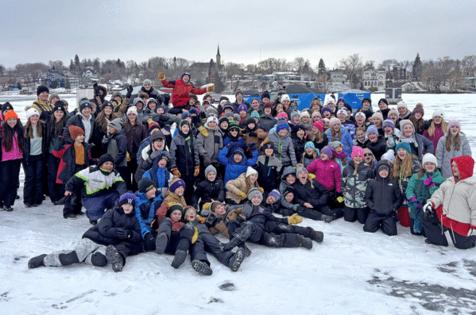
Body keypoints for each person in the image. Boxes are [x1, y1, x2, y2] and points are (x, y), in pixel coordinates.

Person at [28, 192, 142, 272]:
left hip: (107, 245)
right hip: (93, 238)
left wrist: (129, 234)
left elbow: (138, 236)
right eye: (125, 204)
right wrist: (116, 232)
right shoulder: (111, 212)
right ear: (120, 204)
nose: (127, 207)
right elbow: (103, 228)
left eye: (130, 205)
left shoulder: (135, 219)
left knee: (101, 261)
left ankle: (84, 257)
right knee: (73, 257)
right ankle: (45, 259)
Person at [222, 188, 314, 251]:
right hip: (248, 231)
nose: (256, 199)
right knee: (234, 223)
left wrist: (287, 220)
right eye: (254, 197)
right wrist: (222, 208)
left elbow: (274, 218)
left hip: (260, 229)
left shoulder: (263, 209)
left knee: (282, 229)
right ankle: (240, 247)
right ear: (250, 198)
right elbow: (231, 207)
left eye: (259, 198)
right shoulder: (244, 207)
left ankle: (307, 235)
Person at [422, 156, 476, 249]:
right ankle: (438, 239)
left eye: (456, 166)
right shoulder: (450, 181)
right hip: (446, 219)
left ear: (465, 167)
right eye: (452, 166)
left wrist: (474, 227)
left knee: (461, 246)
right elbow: (439, 193)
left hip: (461, 224)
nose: (453, 168)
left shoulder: (472, 186)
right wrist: (431, 203)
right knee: (426, 214)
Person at [64, 154, 127, 224]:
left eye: (111, 164)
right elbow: (75, 179)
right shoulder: (91, 171)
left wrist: (124, 197)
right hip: (91, 197)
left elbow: (121, 184)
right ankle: (93, 217)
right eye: (106, 163)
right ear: (101, 164)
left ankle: (110, 215)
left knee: (118, 198)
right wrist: (69, 188)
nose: (109, 166)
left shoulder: (114, 173)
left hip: (107, 194)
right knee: (95, 211)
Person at [183, 207, 246, 275]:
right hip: (195, 239)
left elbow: (213, 225)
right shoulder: (184, 225)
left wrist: (213, 217)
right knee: (197, 247)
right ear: (185, 216)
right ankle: (202, 264)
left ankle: (231, 259)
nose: (192, 213)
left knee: (216, 245)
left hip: (206, 236)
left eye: (193, 212)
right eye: (189, 212)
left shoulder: (202, 222)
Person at [406, 153, 444, 236]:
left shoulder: (440, 179)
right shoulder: (416, 176)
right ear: (423, 165)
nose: (429, 165)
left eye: (432, 163)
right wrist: (412, 198)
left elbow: (440, 195)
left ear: (435, 165)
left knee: (426, 233)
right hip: (417, 205)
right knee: (414, 232)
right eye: (427, 164)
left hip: (430, 208)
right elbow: (409, 189)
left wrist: (432, 186)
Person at [363, 161, 402, 236]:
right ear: (377, 171)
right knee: (368, 229)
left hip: (388, 213)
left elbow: (399, 198)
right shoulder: (372, 182)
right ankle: (377, 223)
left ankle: (384, 224)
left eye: (386, 170)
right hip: (375, 212)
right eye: (381, 170)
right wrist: (372, 206)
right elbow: (367, 198)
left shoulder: (393, 183)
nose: (383, 172)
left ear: (388, 171)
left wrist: (393, 208)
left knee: (392, 233)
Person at [169, 120, 200, 204]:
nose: (186, 128)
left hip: (190, 169)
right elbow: (172, 154)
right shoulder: (176, 139)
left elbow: (196, 152)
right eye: (184, 127)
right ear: (180, 128)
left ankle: (190, 205)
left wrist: (197, 165)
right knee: (181, 188)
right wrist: (174, 167)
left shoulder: (192, 138)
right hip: (180, 169)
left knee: (190, 188)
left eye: (187, 126)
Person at [23, 108, 47, 207]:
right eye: (33, 116)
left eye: (36, 116)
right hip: (29, 157)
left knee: (38, 177)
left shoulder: (43, 126)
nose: (35, 118)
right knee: (30, 178)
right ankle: (28, 200)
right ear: (29, 117)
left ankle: (38, 199)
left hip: (40, 157)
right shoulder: (25, 128)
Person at [0, 110, 24, 211]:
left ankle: (8, 203)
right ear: (6, 121)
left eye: (14, 119)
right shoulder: (2, 131)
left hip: (16, 159)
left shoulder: (19, 130)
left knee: (13, 181)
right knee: (5, 181)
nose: (12, 121)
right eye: (9, 120)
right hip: (4, 161)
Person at [342, 146, 373, 224]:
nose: (358, 158)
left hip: (361, 202)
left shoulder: (368, 169)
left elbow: (371, 185)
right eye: (356, 156)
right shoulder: (347, 168)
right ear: (352, 157)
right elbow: (342, 182)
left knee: (363, 221)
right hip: (349, 201)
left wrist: (368, 197)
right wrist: (344, 193)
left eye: (360, 156)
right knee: (349, 220)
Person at [46, 101, 68, 204]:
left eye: (61, 112)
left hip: (62, 153)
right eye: (57, 111)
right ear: (53, 113)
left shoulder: (66, 123)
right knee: (52, 174)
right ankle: (53, 196)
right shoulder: (49, 123)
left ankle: (61, 195)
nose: (59, 114)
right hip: (51, 153)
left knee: (61, 175)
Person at [134, 178, 163, 251]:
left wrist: (158, 222)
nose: (154, 190)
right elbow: (138, 220)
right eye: (151, 189)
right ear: (145, 192)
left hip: (153, 227)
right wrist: (146, 233)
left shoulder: (158, 198)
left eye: (154, 188)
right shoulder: (138, 202)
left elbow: (162, 212)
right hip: (142, 228)